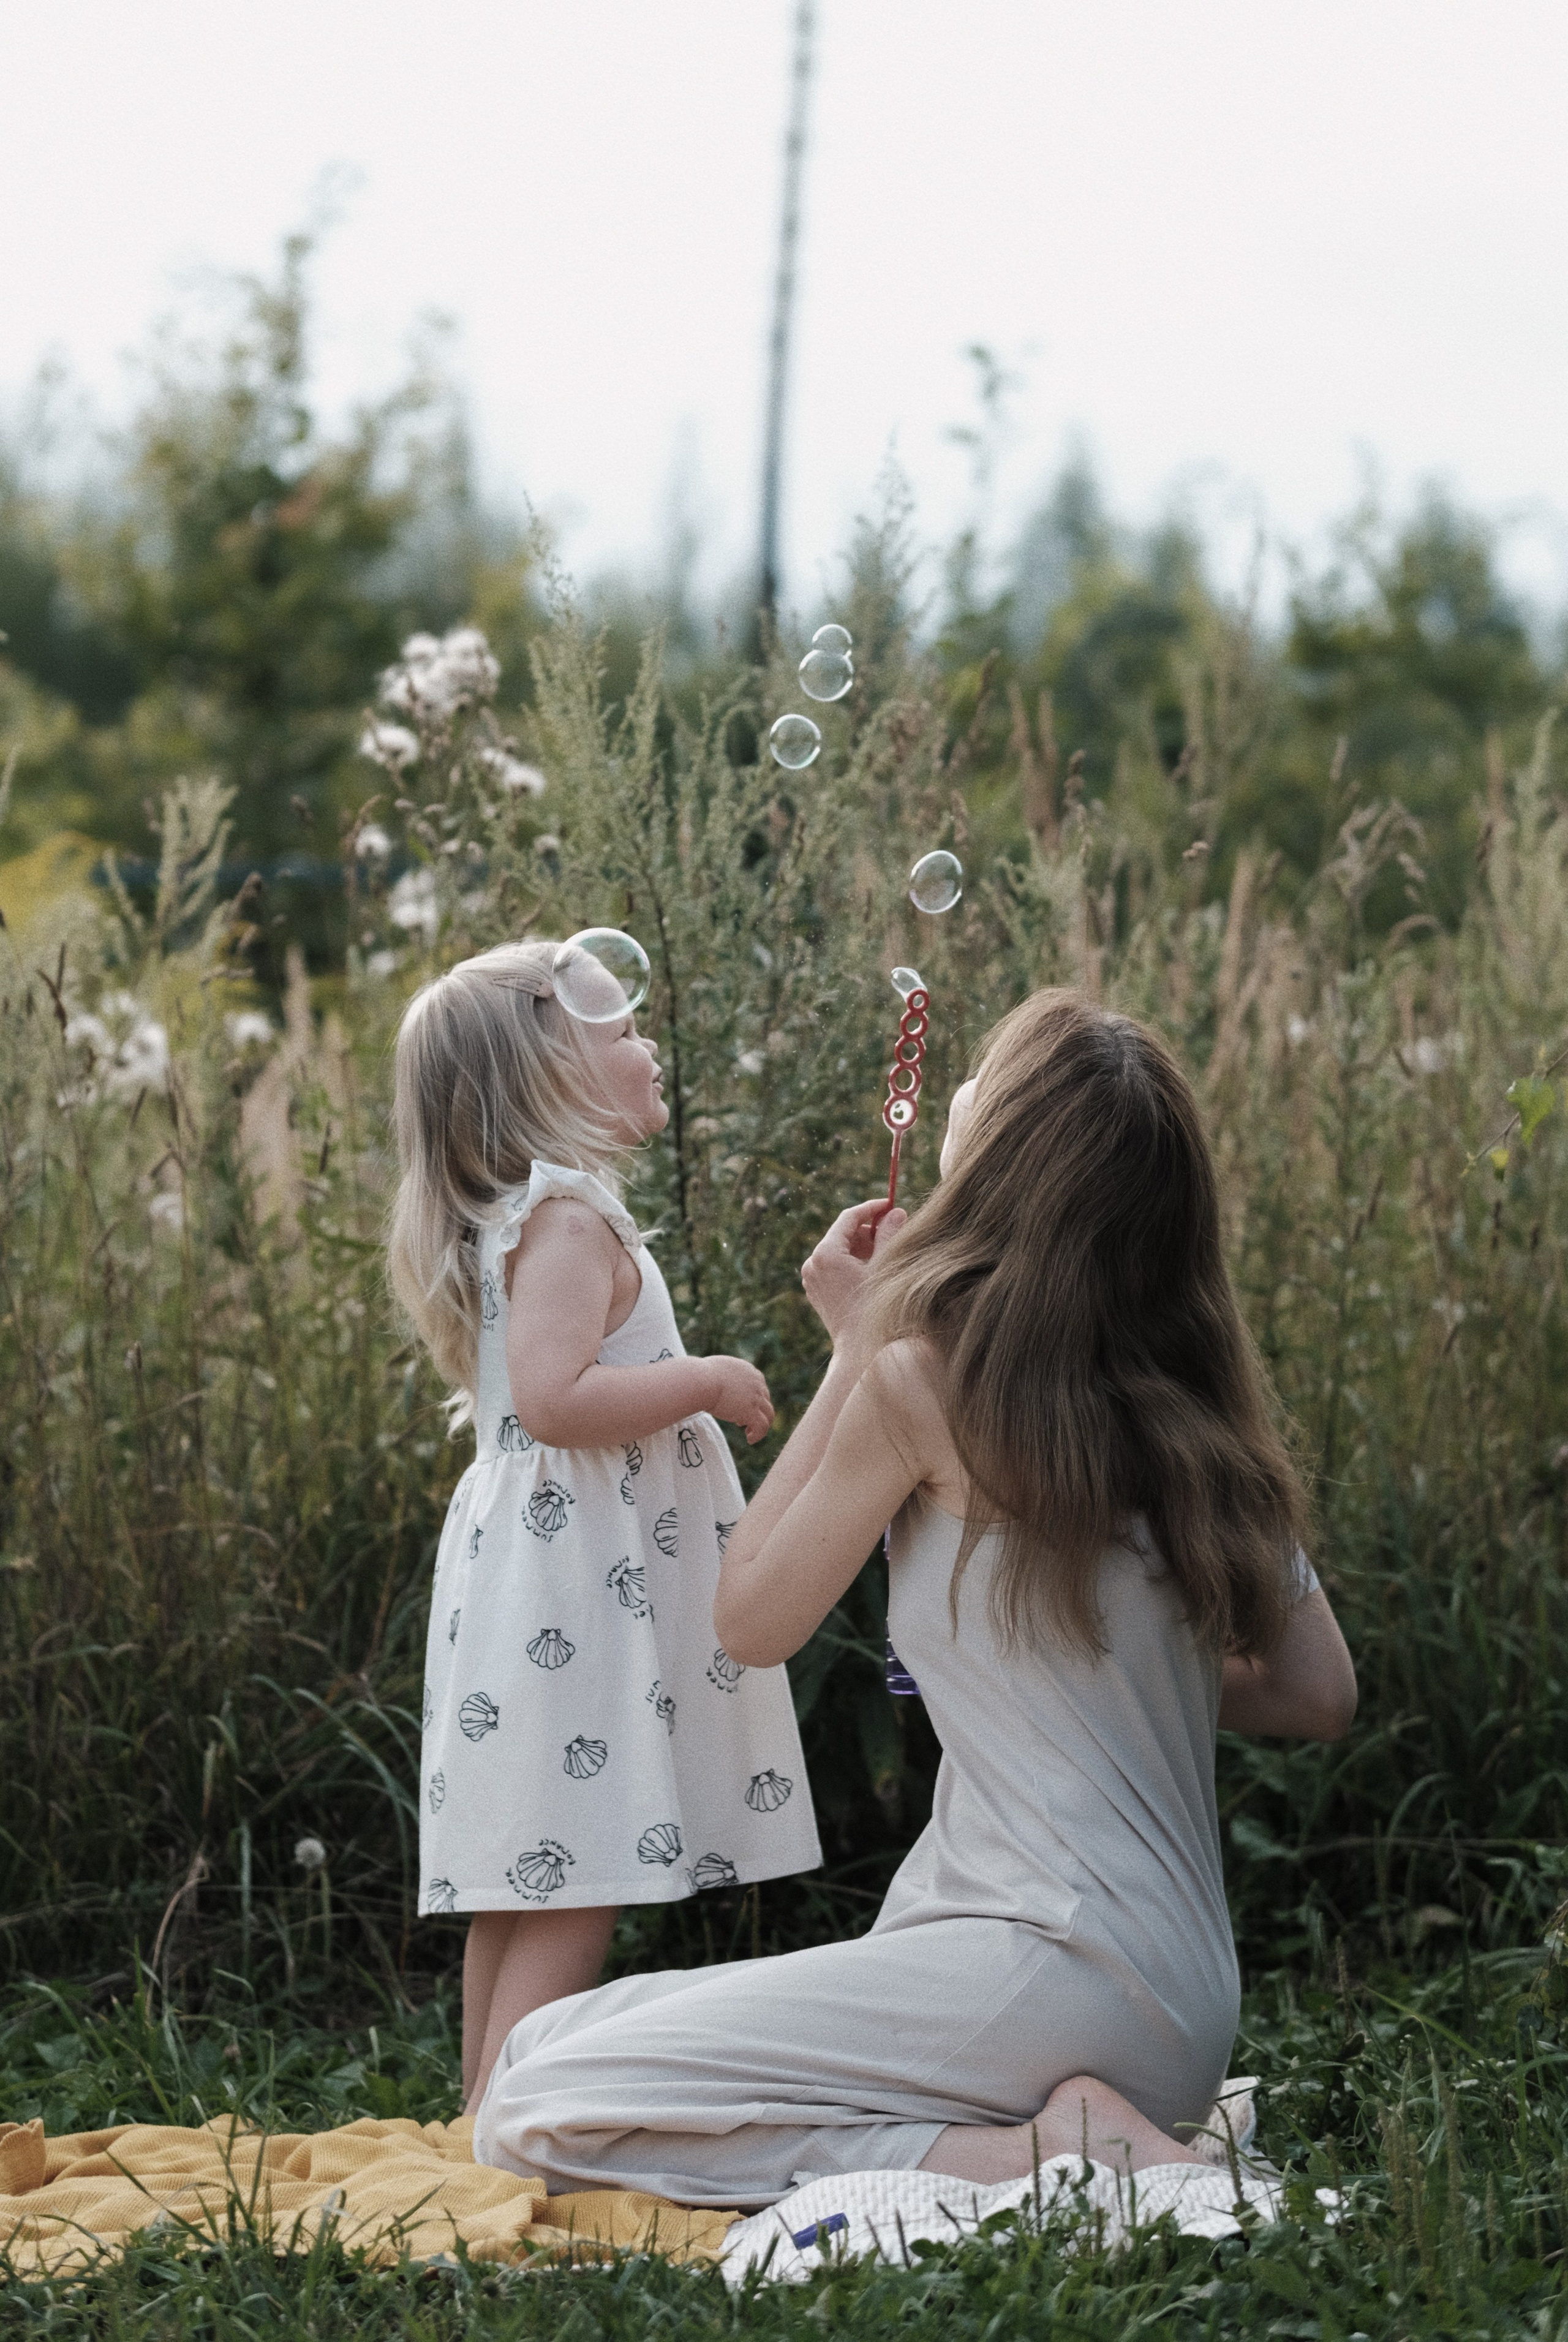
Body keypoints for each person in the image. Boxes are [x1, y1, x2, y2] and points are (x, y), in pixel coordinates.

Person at [473, 988, 1356, 2205]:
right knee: (553, 2044)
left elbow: (750, 1619)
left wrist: (853, 1348)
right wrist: (1122, 1686)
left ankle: (1036, 2155)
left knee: (529, 2100)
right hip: (1184, 2002)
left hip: (1039, 1964)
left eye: (975, 1087)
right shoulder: (1197, 1393)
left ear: (997, 1159)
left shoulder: (919, 1380)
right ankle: (1080, 2120)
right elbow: (1316, 1692)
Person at [388, 939, 822, 2110]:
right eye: (621, 1035)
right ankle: (512, 2127)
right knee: (578, 1866)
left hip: (547, 1579)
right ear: (553, 1084)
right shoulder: (570, 1218)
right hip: (576, 1591)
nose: (647, 1045)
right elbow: (557, 1399)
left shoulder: (539, 1219)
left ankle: (482, 2107)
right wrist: (708, 1380)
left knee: (531, 1871)